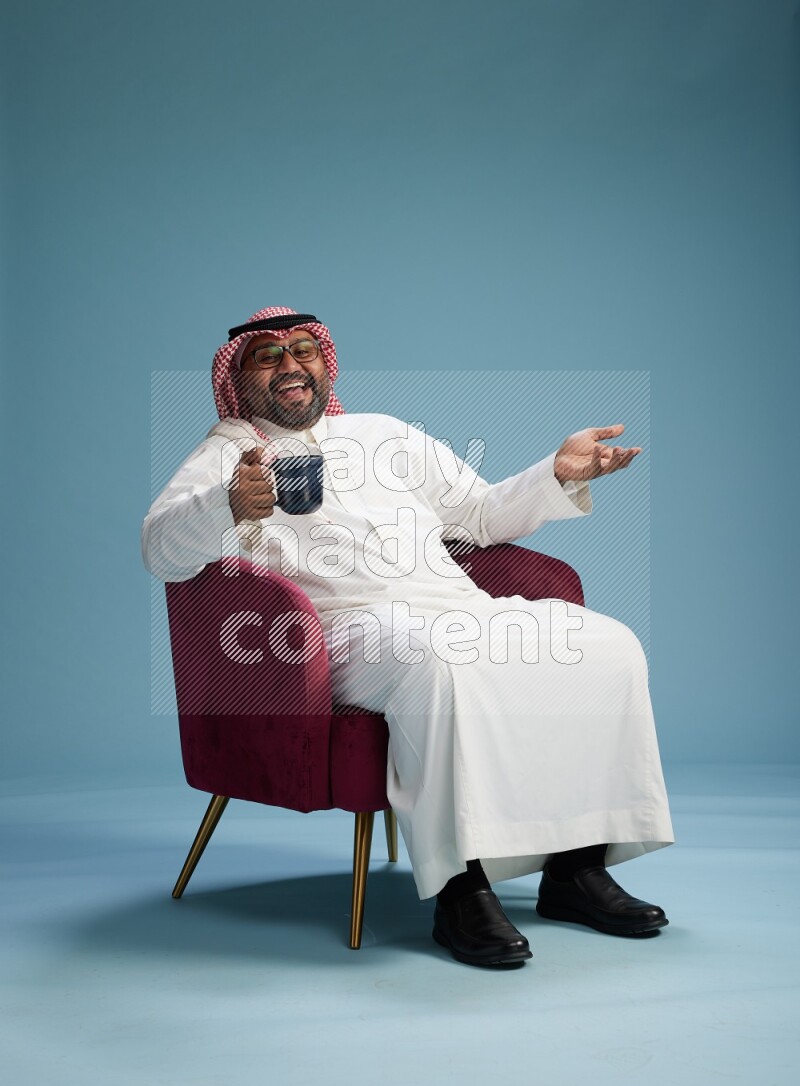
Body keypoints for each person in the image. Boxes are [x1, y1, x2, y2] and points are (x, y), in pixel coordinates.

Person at [142, 305, 675, 967]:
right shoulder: (226, 455)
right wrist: (224, 503)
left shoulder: (384, 434)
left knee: (605, 647)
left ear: (325, 364)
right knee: (435, 660)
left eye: (303, 350)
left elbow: (480, 515)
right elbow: (161, 550)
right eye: (268, 356)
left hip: (454, 605)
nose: (290, 366)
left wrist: (557, 473)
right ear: (238, 377)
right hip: (336, 632)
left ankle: (576, 869)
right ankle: (460, 889)